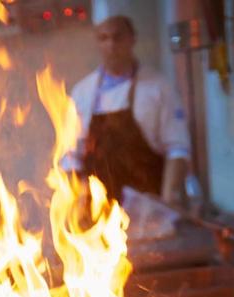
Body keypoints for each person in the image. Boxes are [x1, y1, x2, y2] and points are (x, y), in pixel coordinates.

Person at [63, 14, 192, 206]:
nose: (111, 45)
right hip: (100, 214)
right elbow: (72, 156)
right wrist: (80, 200)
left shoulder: (158, 88)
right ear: (97, 43)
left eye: (118, 37)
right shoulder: (82, 92)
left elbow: (178, 149)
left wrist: (167, 200)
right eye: (103, 38)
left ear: (132, 39)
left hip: (150, 206)